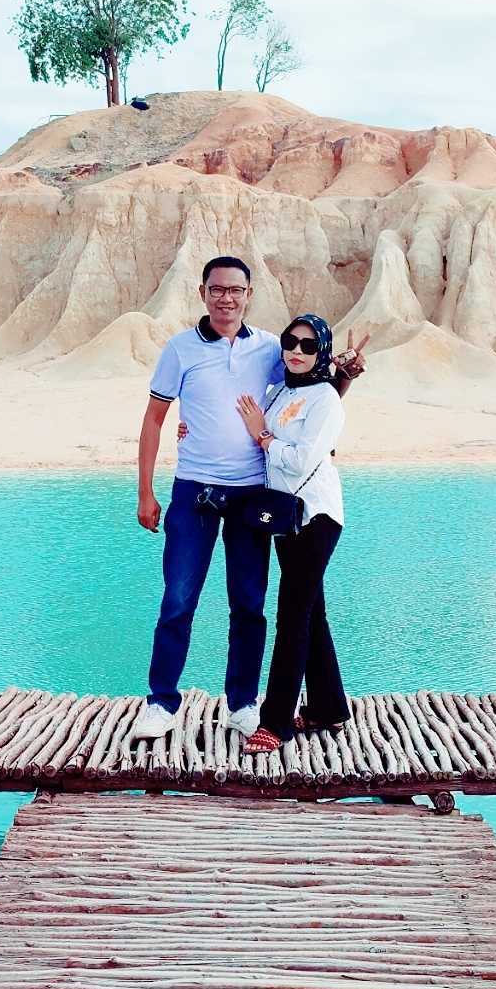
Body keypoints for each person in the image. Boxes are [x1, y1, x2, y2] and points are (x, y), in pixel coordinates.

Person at [132, 256, 284, 740]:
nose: (226, 298)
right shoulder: (180, 349)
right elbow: (154, 420)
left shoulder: (271, 349)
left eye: (235, 290)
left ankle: (242, 703)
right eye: (217, 290)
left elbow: (308, 395)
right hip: (193, 491)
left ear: (248, 294)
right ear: (202, 293)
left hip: (251, 494)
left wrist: (346, 375)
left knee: (250, 603)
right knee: (177, 600)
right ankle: (161, 703)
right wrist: (146, 493)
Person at [238, 315, 361, 753]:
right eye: (291, 342)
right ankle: (329, 708)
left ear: (321, 353)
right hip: (287, 516)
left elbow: (302, 458)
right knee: (312, 613)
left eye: (309, 346)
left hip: (316, 517)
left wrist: (264, 437)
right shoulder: (282, 391)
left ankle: (274, 723)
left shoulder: (326, 399)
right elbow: (248, 435)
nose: (296, 351)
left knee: (292, 615)